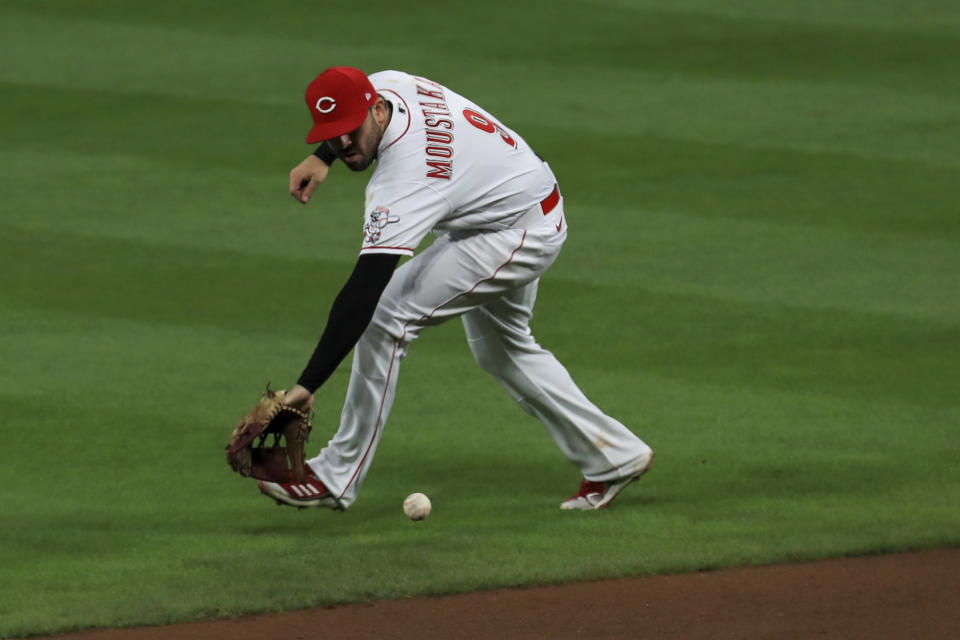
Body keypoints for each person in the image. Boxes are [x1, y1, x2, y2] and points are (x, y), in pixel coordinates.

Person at [258, 67, 653, 511]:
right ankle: (615, 457)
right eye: (332, 135)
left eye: (350, 132)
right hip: (512, 199)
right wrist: (322, 156)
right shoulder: (388, 83)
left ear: (375, 108)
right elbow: (344, 122)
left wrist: (308, 384)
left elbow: (364, 289)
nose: (344, 143)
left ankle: (335, 475)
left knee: (385, 316)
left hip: (518, 231)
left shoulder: (405, 179)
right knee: (501, 350)